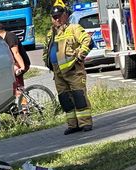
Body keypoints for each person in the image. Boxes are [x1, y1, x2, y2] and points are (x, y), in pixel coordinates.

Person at [43, 0, 93, 135]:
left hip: (73, 70)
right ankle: (73, 125)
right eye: (54, 17)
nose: (57, 19)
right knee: (65, 99)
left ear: (65, 15)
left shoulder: (74, 28)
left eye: (59, 16)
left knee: (79, 96)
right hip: (58, 72)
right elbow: (46, 50)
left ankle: (85, 123)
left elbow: (88, 42)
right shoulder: (51, 33)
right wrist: (47, 62)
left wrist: (79, 56)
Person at [0, 23, 31, 109]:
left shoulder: (10, 36)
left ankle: (25, 109)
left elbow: (16, 53)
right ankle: (14, 106)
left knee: (18, 88)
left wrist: (22, 67)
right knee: (8, 87)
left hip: (20, 64)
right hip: (12, 66)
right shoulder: (1, 40)